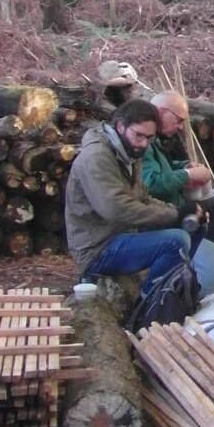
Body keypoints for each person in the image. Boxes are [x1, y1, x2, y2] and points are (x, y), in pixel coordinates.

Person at [65, 98, 194, 295]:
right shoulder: (97, 157)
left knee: (194, 225)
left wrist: (178, 212)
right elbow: (116, 208)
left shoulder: (128, 151)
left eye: (149, 138)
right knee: (176, 241)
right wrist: (173, 215)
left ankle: (182, 287)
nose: (143, 144)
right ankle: (149, 303)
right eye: (139, 136)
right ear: (120, 126)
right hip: (97, 247)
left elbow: (142, 198)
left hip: (121, 234)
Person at [142, 91, 214, 249]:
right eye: (178, 120)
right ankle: (207, 258)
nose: (180, 126)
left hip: (171, 201)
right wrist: (187, 175)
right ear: (161, 112)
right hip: (161, 208)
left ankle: (204, 251)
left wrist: (183, 166)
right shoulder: (143, 140)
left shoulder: (155, 137)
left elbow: (162, 166)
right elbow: (151, 184)